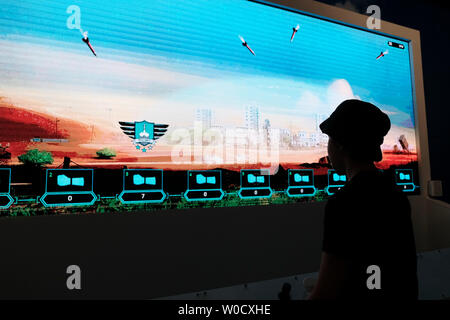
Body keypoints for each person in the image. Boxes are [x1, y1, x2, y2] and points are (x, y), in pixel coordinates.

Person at [308, 99, 418, 300]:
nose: (328, 149)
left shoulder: (343, 204)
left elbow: (325, 294)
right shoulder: (395, 194)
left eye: (330, 139)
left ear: (341, 144)